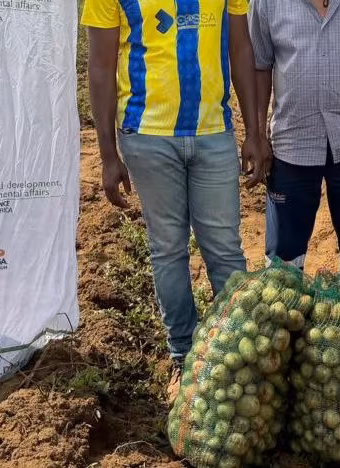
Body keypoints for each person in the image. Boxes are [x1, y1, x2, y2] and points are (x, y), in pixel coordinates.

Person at [81, 0, 267, 399]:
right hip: (147, 137)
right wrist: (108, 155)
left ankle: (239, 351)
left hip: (213, 132)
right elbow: (100, 65)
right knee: (168, 250)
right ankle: (183, 356)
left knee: (225, 250)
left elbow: (240, 48)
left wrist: (254, 131)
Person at [248, 0, 340, 279]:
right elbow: (259, 64)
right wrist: (256, 134)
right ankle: (287, 304)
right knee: (283, 261)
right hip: (293, 143)